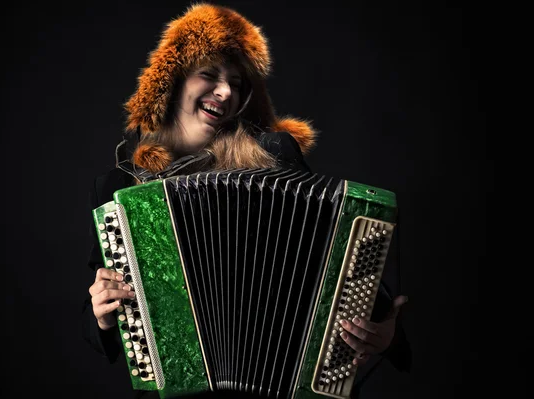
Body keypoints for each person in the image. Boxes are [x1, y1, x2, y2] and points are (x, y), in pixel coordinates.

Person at [81, 3, 411, 398]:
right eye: (209, 75)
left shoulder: (273, 154)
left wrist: (387, 335)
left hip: (277, 385)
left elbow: (334, 255)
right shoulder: (122, 187)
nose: (225, 92)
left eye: (237, 83)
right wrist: (101, 317)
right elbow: (100, 316)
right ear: (173, 79)